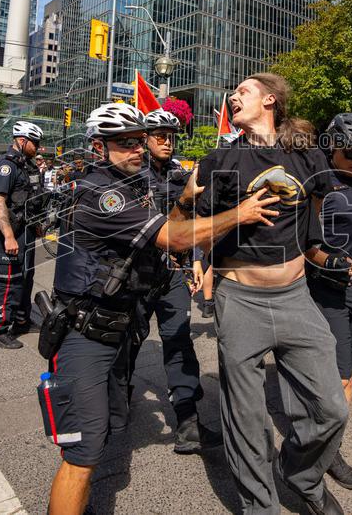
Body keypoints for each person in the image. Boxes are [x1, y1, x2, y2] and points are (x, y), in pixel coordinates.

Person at [46, 103, 279, 514]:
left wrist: (186, 200)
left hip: (117, 325)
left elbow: (164, 229)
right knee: (81, 455)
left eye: (140, 140)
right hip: (85, 335)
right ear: (99, 146)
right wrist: (238, 215)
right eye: (126, 143)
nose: (138, 149)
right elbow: (173, 238)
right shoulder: (103, 195)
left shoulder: (133, 185)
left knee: (104, 435)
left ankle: (182, 418)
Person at [178, 73, 348, 515]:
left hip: (295, 298)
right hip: (240, 301)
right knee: (248, 420)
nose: (233, 96)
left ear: (270, 100)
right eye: (232, 92)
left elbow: (330, 196)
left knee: (331, 409)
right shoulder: (219, 157)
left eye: (244, 91)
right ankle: (260, 507)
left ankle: (302, 476)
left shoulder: (305, 154)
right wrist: (228, 223)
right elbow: (195, 226)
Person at [124, 109, 217, 454]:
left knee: (178, 342)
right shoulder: (130, 175)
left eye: (171, 135)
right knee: (129, 341)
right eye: (159, 135)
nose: (167, 141)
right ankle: (117, 403)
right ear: (144, 138)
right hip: (135, 276)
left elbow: (191, 218)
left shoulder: (180, 173)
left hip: (172, 274)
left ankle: (188, 421)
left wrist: (194, 259)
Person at [304, 113, 352, 491]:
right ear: (332, 146)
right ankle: (329, 452)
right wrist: (328, 262)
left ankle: (327, 438)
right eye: (350, 151)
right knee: (342, 378)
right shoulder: (319, 184)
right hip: (327, 292)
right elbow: (307, 243)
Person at [0, 123, 48, 349]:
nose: (39, 148)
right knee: (8, 279)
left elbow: (30, 199)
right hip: (11, 230)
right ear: (22, 141)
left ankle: (22, 320)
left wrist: (38, 224)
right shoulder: (6, 166)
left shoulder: (27, 166)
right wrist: (8, 236)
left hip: (27, 229)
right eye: (36, 143)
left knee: (26, 276)